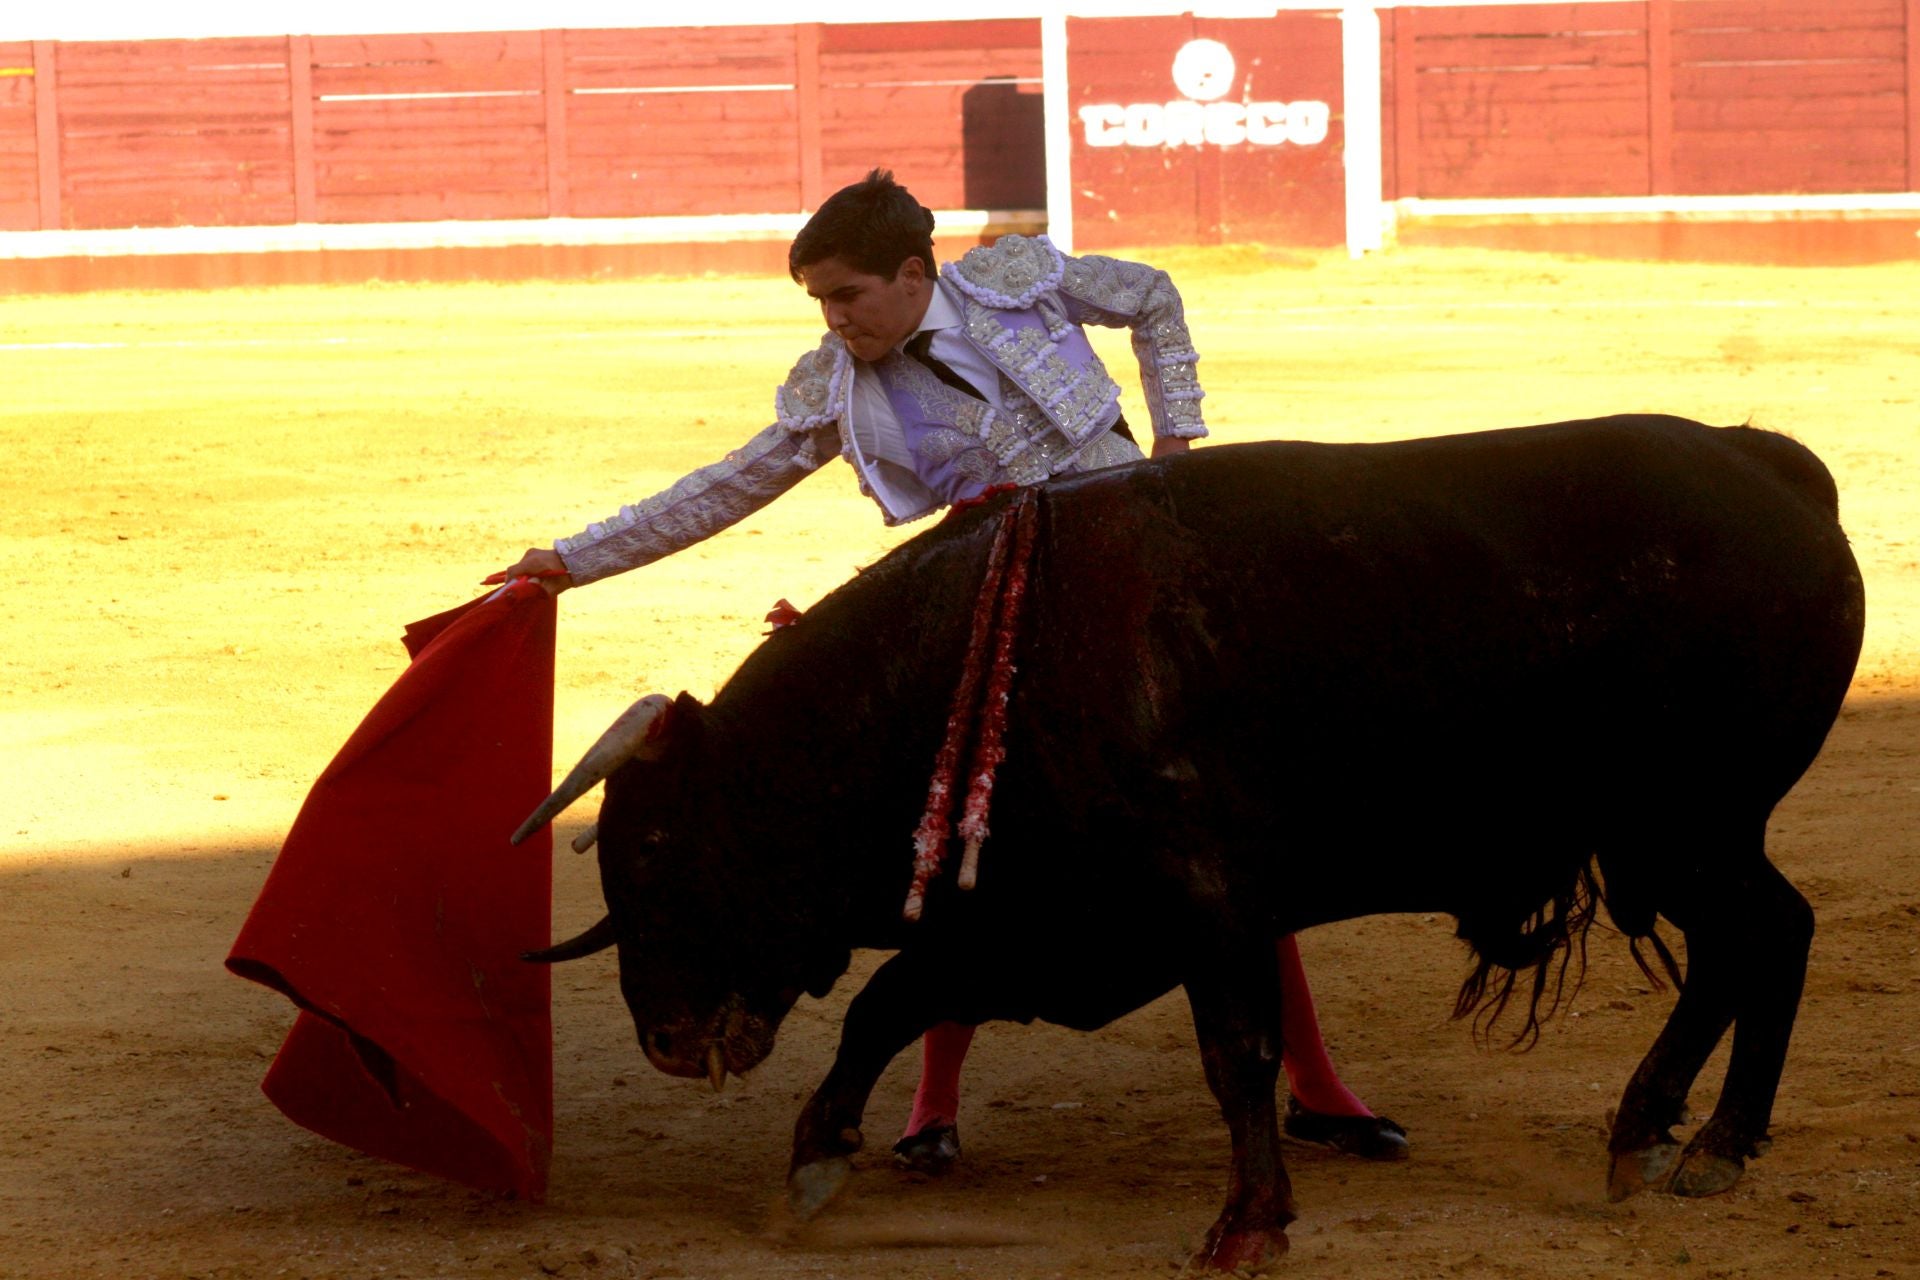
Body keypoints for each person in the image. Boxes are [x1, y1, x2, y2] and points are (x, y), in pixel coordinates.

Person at [500, 169, 1407, 1170]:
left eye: (848, 295)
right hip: (995, 612)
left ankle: (1317, 1085)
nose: (835, 320)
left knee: (1221, 829)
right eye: (819, 302)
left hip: (1143, 583)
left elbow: (1151, 292)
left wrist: (1178, 440)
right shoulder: (834, 387)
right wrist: (571, 558)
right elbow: (727, 485)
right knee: (958, 845)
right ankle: (930, 1104)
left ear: (911, 274)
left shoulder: (1013, 281)